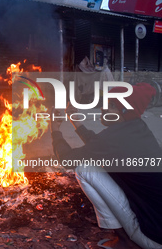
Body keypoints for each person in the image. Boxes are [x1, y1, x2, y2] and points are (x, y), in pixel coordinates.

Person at [50, 83, 162, 249]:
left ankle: (124, 241)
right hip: (158, 232)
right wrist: (75, 121)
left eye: (110, 105)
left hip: (152, 239)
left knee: (84, 168)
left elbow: (67, 159)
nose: (103, 108)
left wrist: (54, 130)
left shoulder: (116, 137)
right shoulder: (135, 129)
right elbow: (98, 145)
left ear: (124, 111)